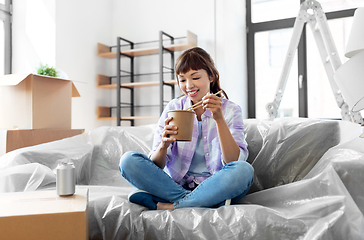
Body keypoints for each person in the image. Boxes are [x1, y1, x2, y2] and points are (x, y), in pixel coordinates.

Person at [119, 47, 254, 210]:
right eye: (182, 80)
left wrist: (219, 119)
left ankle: (169, 205)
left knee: (244, 170)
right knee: (128, 161)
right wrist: (163, 145)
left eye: (195, 77)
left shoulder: (231, 110)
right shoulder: (173, 108)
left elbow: (233, 161)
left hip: (216, 185)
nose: (189, 85)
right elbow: (156, 166)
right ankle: (201, 202)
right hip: (175, 185)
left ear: (211, 76)